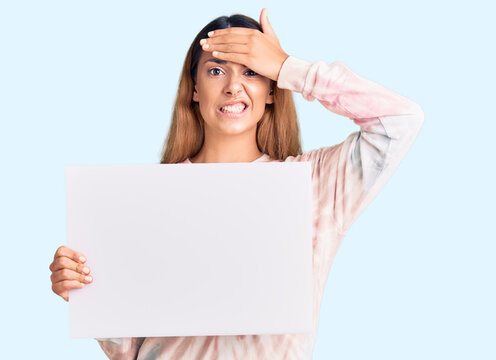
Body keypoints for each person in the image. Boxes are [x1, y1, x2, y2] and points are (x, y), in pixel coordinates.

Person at [48, 8, 424, 359]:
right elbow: (128, 350)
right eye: (215, 71)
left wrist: (287, 66)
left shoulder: (315, 185)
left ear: (272, 88)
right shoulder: (148, 197)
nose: (233, 87)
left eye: (250, 71)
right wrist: (86, 291)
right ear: (194, 88)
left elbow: (400, 121)